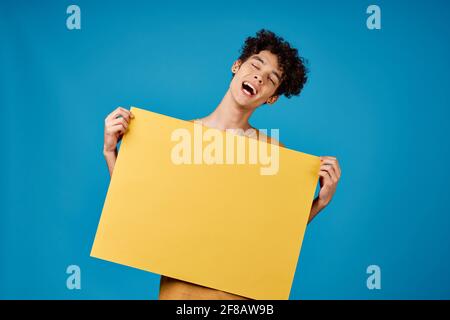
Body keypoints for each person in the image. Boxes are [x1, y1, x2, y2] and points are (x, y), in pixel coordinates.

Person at [102, 29, 341, 300]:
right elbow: (137, 210)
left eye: (270, 79)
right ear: (237, 66)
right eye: (255, 65)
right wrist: (111, 152)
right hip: (180, 296)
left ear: (272, 97)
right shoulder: (175, 139)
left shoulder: (274, 154)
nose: (258, 77)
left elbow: (276, 235)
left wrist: (319, 203)